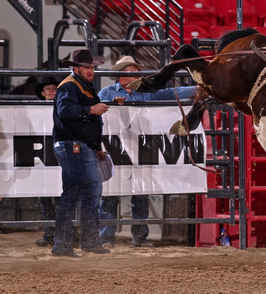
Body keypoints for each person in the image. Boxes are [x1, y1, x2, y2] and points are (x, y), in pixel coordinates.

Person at [98, 55, 197, 248]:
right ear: (120, 75)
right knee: (110, 197)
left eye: (137, 71)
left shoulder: (146, 92)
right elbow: (99, 114)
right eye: (131, 72)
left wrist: (196, 89)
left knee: (140, 195)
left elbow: (172, 93)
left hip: (140, 150)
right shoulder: (106, 93)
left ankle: (138, 237)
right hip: (115, 149)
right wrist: (113, 107)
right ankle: (106, 238)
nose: (136, 75)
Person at [51, 49, 110, 257]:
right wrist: (90, 110)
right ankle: (88, 240)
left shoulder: (79, 86)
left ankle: (64, 244)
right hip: (73, 145)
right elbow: (64, 111)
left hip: (75, 146)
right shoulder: (70, 86)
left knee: (73, 192)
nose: (91, 70)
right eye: (87, 67)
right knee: (91, 187)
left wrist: (96, 148)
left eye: (92, 67)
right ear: (76, 68)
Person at [34, 77, 59, 247]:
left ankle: (64, 232)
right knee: (45, 199)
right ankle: (50, 232)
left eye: (54, 88)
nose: (51, 91)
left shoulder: (63, 107)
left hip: (57, 155)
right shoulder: (35, 111)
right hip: (42, 156)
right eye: (47, 88)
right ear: (43, 93)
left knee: (61, 198)